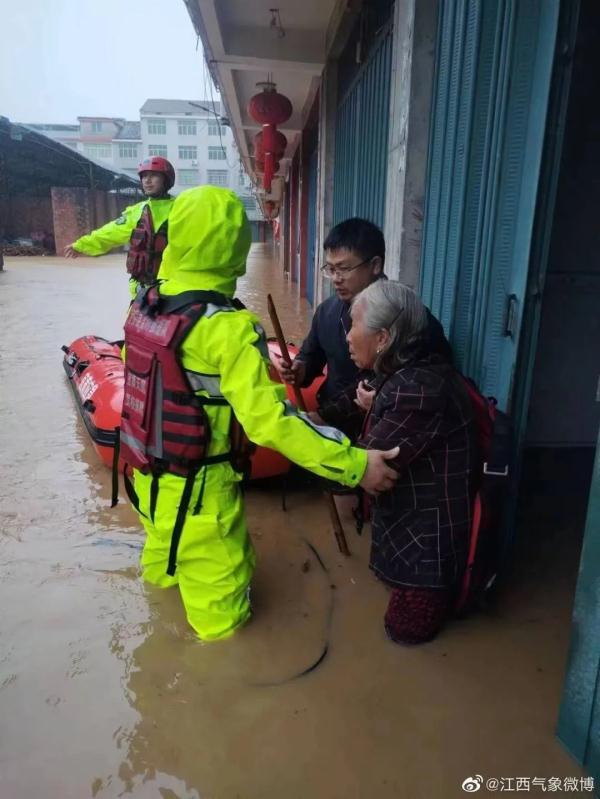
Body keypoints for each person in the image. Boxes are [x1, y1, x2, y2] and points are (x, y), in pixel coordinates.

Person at [118, 186, 401, 642]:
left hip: (149, 481)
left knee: (165, 582)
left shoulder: (144, 306)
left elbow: (179, 375)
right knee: (223, 632)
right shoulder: (227, 328)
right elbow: (269, 422)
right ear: (235, 247)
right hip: (201, 496)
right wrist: (354, 465)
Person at [346, 279, 477, 644]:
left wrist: (288, 436)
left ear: (384, 338)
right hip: (412, 535)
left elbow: (355, 467)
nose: (348, 336)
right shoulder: (408, 373)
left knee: (402, 634)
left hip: (427, 556)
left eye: (354, 325)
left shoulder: (417, 390)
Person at [272, 218, 452, 437]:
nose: (336, 279)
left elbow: (427, 385)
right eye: (331, 269)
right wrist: (299, 370)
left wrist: (324, 418)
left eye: (344, 269)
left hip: (381, 431)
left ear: (375, 265)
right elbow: (310, 356)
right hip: (329, 426)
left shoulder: (409, 319)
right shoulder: (327, 312)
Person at [64, 156, 176, 297]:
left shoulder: (181, 209)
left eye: (153, 176)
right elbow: (110, 233)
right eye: (144, 176)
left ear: (166, 180)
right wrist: (81, 245)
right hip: (142, 289)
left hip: (173, 287)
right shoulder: (137, 211)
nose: (147, 180)